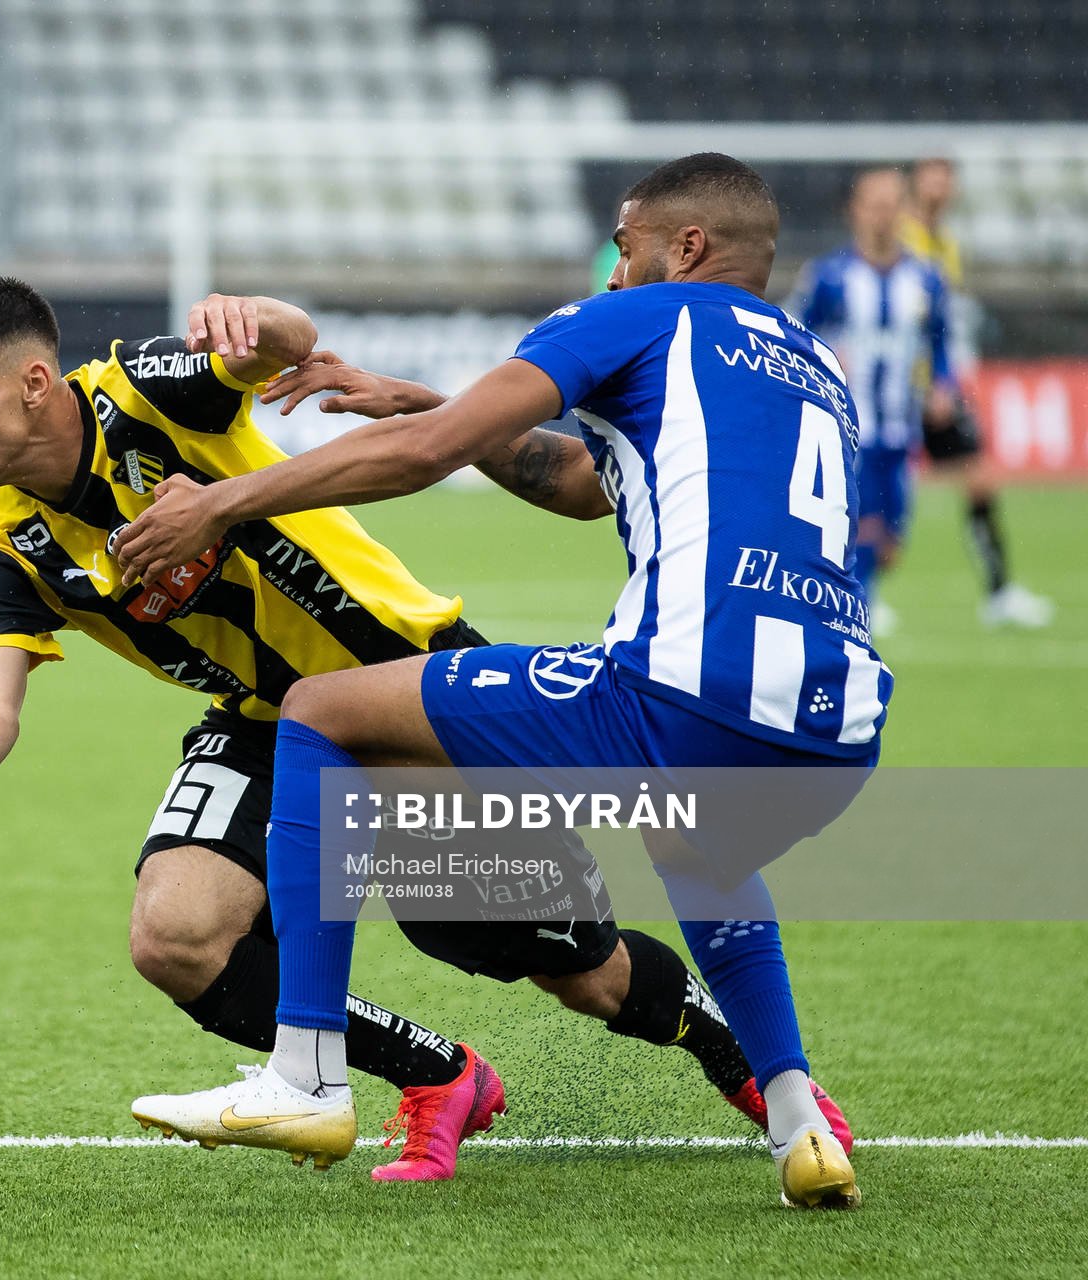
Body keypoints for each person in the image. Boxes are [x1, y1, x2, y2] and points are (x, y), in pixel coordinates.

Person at [0, 275, 836, 1183]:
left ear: (34, 383)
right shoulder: (0, 543)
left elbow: (287, 342)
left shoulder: (139, 393)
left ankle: (735, 1051)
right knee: (176, 935)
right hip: (267, 719)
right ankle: (436, 1071)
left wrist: (253, 315)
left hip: (418, 683)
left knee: (569, 964)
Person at [117, 154, 882, 1209]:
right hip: (833, 730)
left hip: (680, 689)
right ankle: (797, 1117)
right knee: (702, 841)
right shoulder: (814, 365)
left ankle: (306, 1070)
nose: (615, 262)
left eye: (626, 238)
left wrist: (225, 502)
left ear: (686, 247)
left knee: (320, 712)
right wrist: (428, 402)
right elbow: (581, 480)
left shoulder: (641, 315)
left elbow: (428, 456)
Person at [785, 167, 955, 635]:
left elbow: (941, 340)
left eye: (892, 205)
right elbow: (793, 333)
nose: (883, 216)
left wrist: (944, 384)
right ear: (854, 210)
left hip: (901, 422)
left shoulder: (926, 279)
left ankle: (863, 592)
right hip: (846, 424)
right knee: (852, 518)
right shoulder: (829, 277)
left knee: (892, 536)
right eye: (874, 205)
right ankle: (857, 602)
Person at [900, 157, 1054, 629]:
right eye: (932, 175)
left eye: (947, 176)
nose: (941, 185)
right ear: (914, 183)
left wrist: (949, 380)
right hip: (897, 386)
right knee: (870, 491)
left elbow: (945, 324)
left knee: (981, 477)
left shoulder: (946, 245)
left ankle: (999, 592)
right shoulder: (901, 240)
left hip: (937, 389)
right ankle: (856, 595)